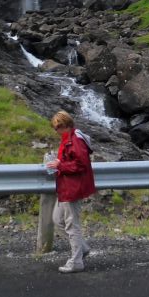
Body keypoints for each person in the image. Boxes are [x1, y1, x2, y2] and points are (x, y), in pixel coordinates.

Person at [46, 110, 96, 273]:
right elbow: (73, 160)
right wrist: (60, 161)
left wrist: (60, 165)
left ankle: (76, 262)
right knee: (58, 220)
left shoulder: (75, 141)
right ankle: (82, 249)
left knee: (71, 225)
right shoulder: (69, 138)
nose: (56, 131)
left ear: (64, 126)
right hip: (66, 186)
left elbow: (81, 165)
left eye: (57, 128)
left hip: (72, 187)